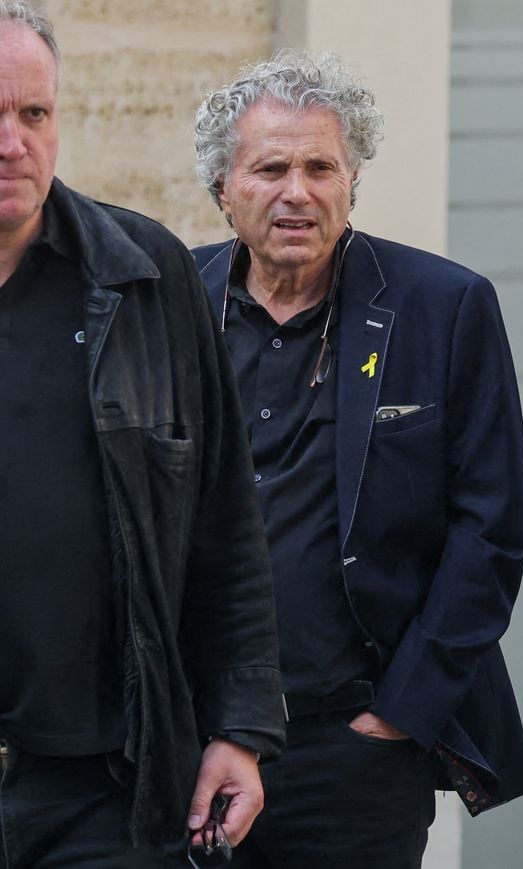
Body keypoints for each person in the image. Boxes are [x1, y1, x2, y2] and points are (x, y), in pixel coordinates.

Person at [192, 49, 523, 868]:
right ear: (222, 189)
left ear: (353, 181)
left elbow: (491, 530)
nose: (297, 191)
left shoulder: (444, 307)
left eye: (321, 166)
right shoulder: (170, 302)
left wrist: (399, 715)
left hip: (356, 751)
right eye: (271, 167)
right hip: (196, 745)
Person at [0, 3, 285, 866]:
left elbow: (224, 519)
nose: (13, 142)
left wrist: (240, 726)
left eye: (34, 114)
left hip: (106, 788)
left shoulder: (143, 274)